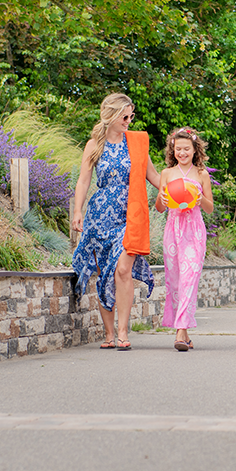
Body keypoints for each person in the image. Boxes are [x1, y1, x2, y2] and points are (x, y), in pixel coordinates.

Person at [71, 93, 161, 351]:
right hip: (99, 217)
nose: (129, 121)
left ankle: (123, 331)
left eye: (131, 116)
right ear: (111, 114)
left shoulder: (136, 143)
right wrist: (77, 210)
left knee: (122, 269)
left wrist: (178, 188)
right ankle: (109, 334)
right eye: (125, 116)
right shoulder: (93, 145)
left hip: (129, 215)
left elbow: (153, 175)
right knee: (104, 274)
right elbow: (84, 181)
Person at [155, 127, 215, 351]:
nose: (182, 152)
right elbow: (160, 208)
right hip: (173, 230)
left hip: (194, 231)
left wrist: (200, 199)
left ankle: (180, 332)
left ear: (194, 149)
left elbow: (209, 208)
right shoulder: (167, 173)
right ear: (173, 149)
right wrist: (161, 198)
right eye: (178, 148)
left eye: (186, 149)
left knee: (190, 277)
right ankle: (185, 334)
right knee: (176, 281)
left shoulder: (201, 174)